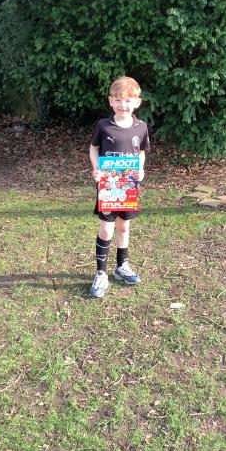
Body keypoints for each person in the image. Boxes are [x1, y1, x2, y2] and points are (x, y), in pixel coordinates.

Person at [88, 76, 150, 298]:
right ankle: (101, 274)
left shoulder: (141, 127)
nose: (123, 105)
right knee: (106, 229)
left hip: (129, 187)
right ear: (110, 101)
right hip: (108, 186)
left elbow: (140, 152)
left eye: (128, 101)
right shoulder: (104, 126)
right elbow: (93, 148)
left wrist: (140, 170)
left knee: (124, 227)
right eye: (118, 100)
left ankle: (121, 267)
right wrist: (96, 168)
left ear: (137, 103)